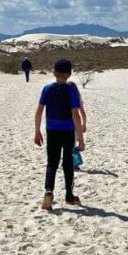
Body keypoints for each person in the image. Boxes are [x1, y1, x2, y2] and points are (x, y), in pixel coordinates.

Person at [34, 59, 85, 210]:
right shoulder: (71, 90)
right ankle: (69, 195)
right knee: (68, 163)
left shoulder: (47, 89)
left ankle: (48, 192)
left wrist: (37, 131)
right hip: (68, 131)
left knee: (52, 162)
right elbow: (75, 114)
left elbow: (38, 112)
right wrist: (80, 138)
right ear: (69, 74)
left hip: (52, 130)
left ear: (54, 72)